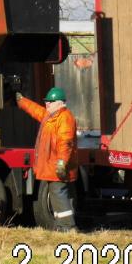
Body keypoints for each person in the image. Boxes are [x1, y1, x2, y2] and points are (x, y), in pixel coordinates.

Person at [16, 87, 78, 231]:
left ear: (60, 103)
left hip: (59, 166)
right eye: (46, 101)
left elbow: (66, 143)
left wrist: (62, 163)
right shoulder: (51, 116)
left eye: (50, 101)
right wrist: (21, 101)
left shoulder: (65, 118)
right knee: (58, 196)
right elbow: (36, 110)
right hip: (54, 166)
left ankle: (68, 227)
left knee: (58, 193)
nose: (47, 104)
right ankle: (62, 225)